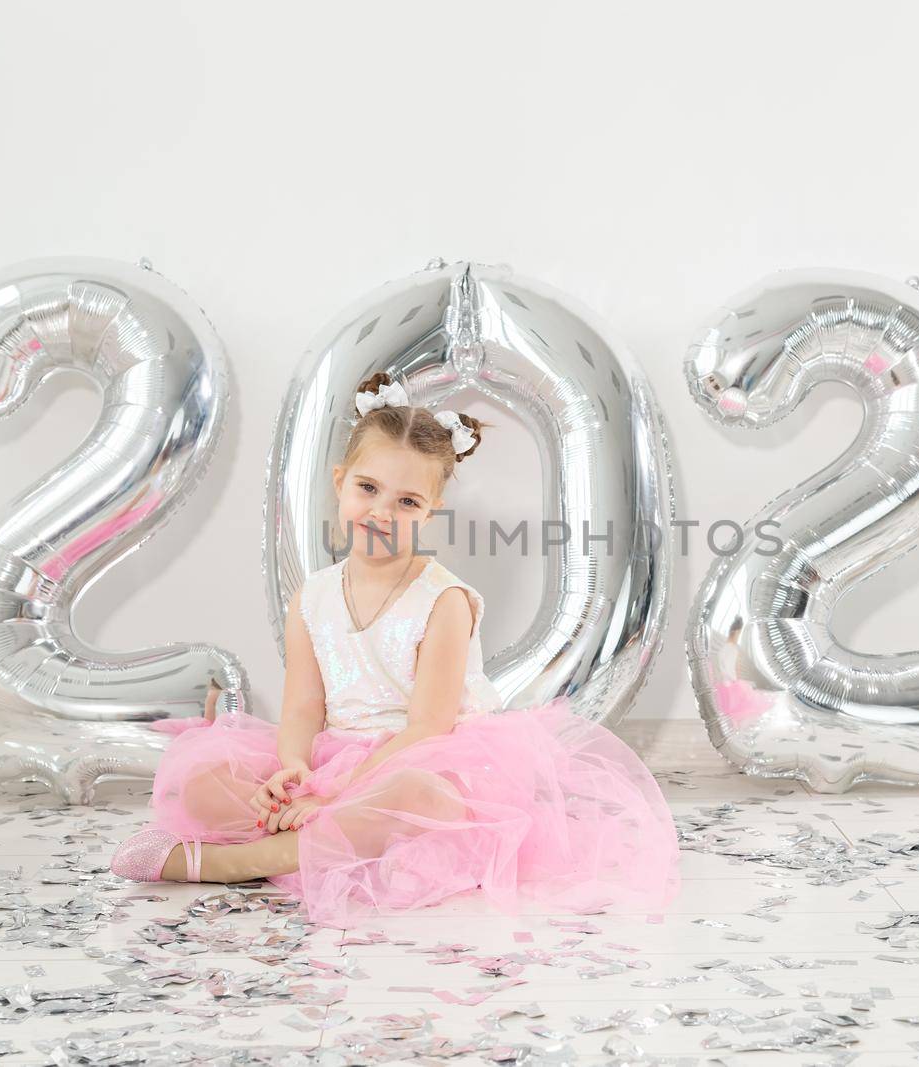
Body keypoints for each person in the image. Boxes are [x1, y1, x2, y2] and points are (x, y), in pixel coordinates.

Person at [109, 371, 681, 928]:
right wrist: (294, 770)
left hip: (421, 759)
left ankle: (244, 861)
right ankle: (323, 835)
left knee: (423, 802)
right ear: (340, 481)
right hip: (339, 756)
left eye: (408, 502)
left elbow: (428, 728)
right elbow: (304, 707)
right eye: (368, 489)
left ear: (430, 512)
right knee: (204, 781)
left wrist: (333, 792)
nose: (382, 513)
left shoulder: (443, 601)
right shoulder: (313, 597)